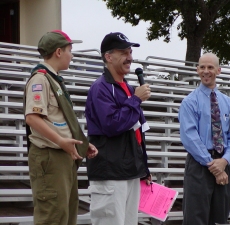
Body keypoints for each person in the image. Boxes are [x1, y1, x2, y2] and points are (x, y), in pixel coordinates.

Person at [24, 30, 98, 225]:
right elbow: (32, 117)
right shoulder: (40, 79)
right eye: (69, 50)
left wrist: (81, 144)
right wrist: (61, 141)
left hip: (61, 154)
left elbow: (60, 120)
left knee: (66, 216)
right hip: (50, 155)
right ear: (58, 52)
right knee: (53, 218)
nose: (71, 55)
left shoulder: (53, 79)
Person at [85, 32, 152, 225]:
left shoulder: (128, 88)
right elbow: (112, 125)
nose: (129, 57)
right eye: (123, 52)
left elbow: (138, 132)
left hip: (130, 171)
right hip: (110, 173)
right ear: (108, 56)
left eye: (130, 52)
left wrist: (143, 167)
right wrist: (136, 100)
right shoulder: (100, 88)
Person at [178, 53, 230, 225]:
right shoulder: (189, 102)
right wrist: (214, 166)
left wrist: (224, 161)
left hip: (223, 163)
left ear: (218, 70)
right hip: (199, 166)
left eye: (210, 67)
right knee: (195, 219)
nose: (206, 71)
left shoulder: (228, 103)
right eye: (202, 67)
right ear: (197, 70)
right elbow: (189, 137)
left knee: (220, 218)